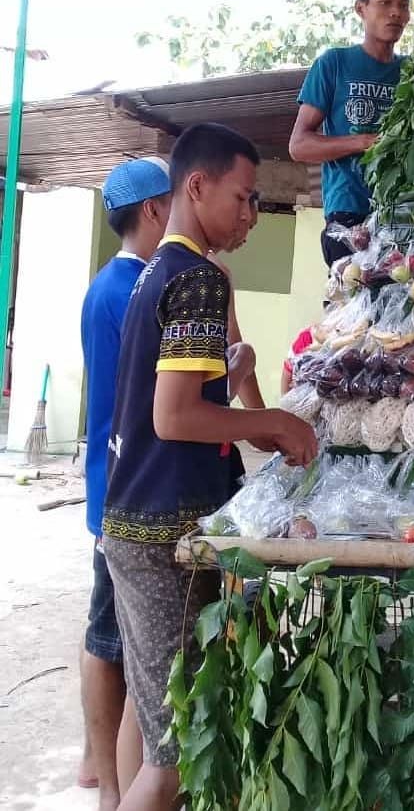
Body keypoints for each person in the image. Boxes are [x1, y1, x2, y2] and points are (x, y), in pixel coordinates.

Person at [102, 123, 317, 811]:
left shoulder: (155, 273)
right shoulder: (196, 280)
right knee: (172, 757)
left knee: (154, 712)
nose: (251, 214)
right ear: (196, 187)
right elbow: (175, 417)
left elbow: (173, 396)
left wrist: (234, 377)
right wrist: (273, 422)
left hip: (137, 523)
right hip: (160, 532)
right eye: (245, 197)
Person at [79, 157, 171, 810]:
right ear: (155, 211)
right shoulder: (138, 290)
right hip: (127, 491)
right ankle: (114, 789)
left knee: (106, 639)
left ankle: (101, 773)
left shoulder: (106, 284)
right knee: (113, 644)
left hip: (106, 483)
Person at [289, 0, 410, 266]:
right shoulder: (334, 64)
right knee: (349, 308)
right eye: (385, 2)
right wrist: (362, 142)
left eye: (403, 5)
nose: (396, 12)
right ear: (361, 8)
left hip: (402, 215)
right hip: (348, 213)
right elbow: (299, 145)